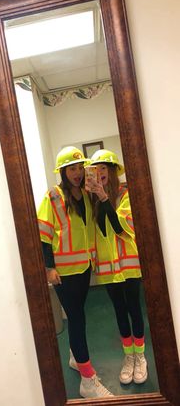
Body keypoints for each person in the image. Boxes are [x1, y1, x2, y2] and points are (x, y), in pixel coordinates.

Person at [37, 146, 113, 398]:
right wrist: (49, 268)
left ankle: (74, 357)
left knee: (78, 315)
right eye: (72, 169)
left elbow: (97, 225)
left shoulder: (86, 194)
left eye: (81, 167)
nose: (78, 173)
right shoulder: (53, 196)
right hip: (63, 273)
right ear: (62, 171)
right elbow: (44, 235)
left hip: (82, 268)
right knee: (77, 319)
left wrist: (100, 195)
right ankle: (87, 381)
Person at [86, 149, 148, 385]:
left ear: (112, 171)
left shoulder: (126, 194)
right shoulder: (91, 199)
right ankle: (128, 357)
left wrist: (103, 198)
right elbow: (99, 230)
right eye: (95, 168)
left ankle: (140, 356)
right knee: (120, 312)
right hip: (108, 268)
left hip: (129, 265)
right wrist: (96, 198)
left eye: (104, 168)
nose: (99, 172)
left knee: (133, 308)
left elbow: (120, 228)